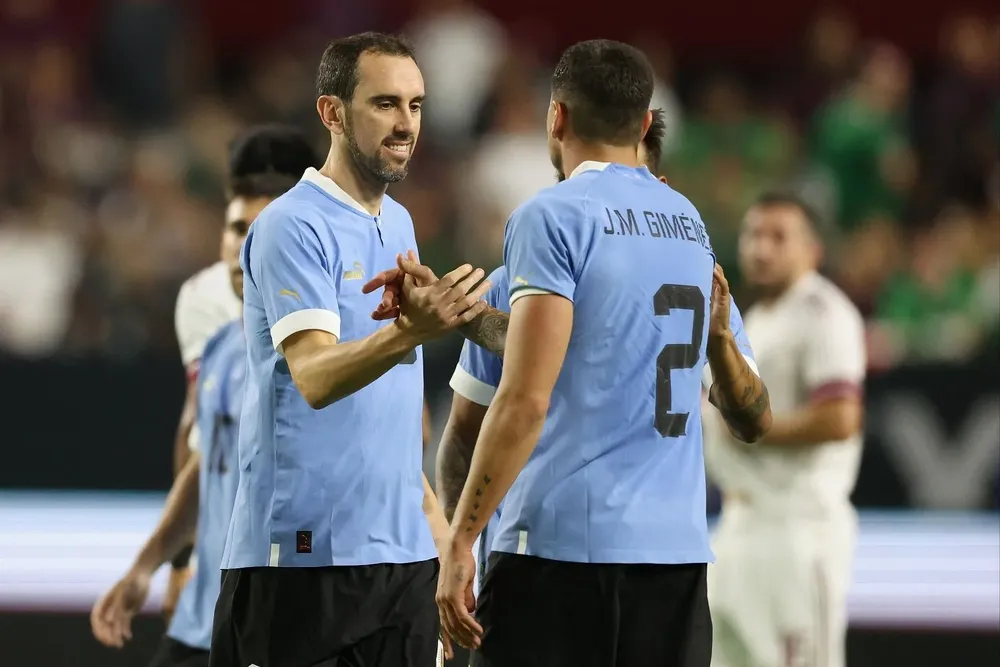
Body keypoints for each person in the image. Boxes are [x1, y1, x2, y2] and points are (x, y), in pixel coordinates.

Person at [428, 40, 770, 667]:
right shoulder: (691, 227)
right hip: (676, 558)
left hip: (560, 549)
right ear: (644, 124)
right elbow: (746, 414)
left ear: (555, 117)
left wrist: (461, 540)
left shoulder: (552, 218)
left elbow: (526, 397)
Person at [209, 32, 490, 667]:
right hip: (305, 557)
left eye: (416, 105)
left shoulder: (397, 222)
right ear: (332, 112)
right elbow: (311, 374)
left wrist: (442, 539)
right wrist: (409, 332)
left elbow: (388, 415)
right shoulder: (292, 225)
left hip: (399, 559)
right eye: (386, 104)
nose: (406, 124)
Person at [89, 125, 321, 667]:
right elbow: (206, 452)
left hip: (275, 614)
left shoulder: (326, 347)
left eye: (261, 231)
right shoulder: (217, 334)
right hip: (205, 617)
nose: (243, 249)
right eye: (235, 229)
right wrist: (158, 564)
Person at [703, 192, 865, 667]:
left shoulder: (823, 312)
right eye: (754, 234)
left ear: (813, 250)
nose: (761, 248)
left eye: (779, 236)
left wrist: (754, 426)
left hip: (797, 528)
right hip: (739, 525)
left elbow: (841, 417)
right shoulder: (755, 318)